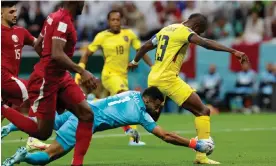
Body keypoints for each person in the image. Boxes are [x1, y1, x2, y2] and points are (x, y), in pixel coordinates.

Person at [128, 13, 249, 164]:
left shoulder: (166, 29)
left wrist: (134, 61)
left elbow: (145, 46)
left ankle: (125, 119)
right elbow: (205, 43)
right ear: (197, 27)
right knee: (203, 111)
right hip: (168, 79)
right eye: (199, 32)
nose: (197, 35)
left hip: (154, 77)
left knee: (152, 118)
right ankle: (201, 156)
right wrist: (233, 51)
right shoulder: (185, 31)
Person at [2, 87, 214, 166]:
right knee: (49, 156)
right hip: (83, 121)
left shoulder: (132, 94)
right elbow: (165, 135)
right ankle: (22, 156)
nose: (157, 110)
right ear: (149, 101)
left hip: (77, 109)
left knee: (40, 127)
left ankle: (11, 127)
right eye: (157, 106)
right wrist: (195, 144)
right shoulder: (140, 113)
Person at [1, 2, 98, 165]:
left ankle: (77, 163)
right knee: (42, 132)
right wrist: (81, 71)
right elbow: (57, 53)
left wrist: (49, 63)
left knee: (87, 114)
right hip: (47, 79)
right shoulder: (62, 21)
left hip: (60, 76)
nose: (84, 4)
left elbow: (38, 45)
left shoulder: (53, 16)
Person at [75, 10, 152, 146]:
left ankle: (94, 101)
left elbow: (142, 50)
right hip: (109, 75)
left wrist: (152, 66)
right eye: (112, 20)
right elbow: (87, 54)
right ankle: (132, 135)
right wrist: (79, 71)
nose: (115, 22)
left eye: (118, 19)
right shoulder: (101, 36)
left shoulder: (129, 34)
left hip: (123, 76)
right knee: (126, 98)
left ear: (122, 21)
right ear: (108, 21)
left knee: (113, 104)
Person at [1, 1, 40, 115]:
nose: (15, 15)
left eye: (15, 11)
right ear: (1, 13)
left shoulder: (21, 32)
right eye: (11, 12)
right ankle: (35, 132)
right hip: (4, 77)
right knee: (34, 92)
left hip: (12, 78)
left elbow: (39, 44)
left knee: (4, 113)